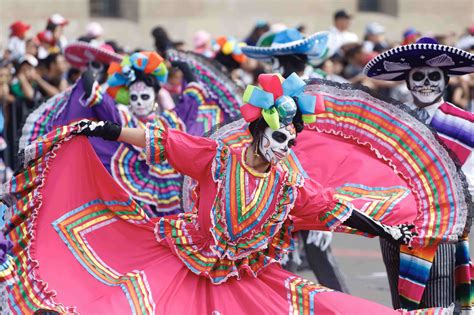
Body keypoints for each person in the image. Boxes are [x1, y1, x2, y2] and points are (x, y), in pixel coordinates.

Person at [1, 70, 416, 313]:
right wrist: (105, 128)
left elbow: (335, 211)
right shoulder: (218, 158)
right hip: (184, 262)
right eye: (276, 136)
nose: (282, 147)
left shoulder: (290, 185)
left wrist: (388, 232)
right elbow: (159, 141)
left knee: (317, 305)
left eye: (289, 141)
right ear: (257, 131)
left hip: (243, 278)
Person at [364, 37, 474, 312]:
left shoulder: (463, 125)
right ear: (408, 82)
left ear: (446, 81)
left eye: (434, 76)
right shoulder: (392, 123)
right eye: (419, 77)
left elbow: (470, 183)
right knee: (402, 302)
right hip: (397, 229)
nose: (426, 83)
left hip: (442, 229)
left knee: (439, 302)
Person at [242, 28, 350, 293]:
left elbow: (330, 152)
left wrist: (326, 205)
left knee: (316, 258)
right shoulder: (268, 96)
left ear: (280, 62)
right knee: (278, 264)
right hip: (278, 189)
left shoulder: (317, 95)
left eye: (273, 63)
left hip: (310, 192)